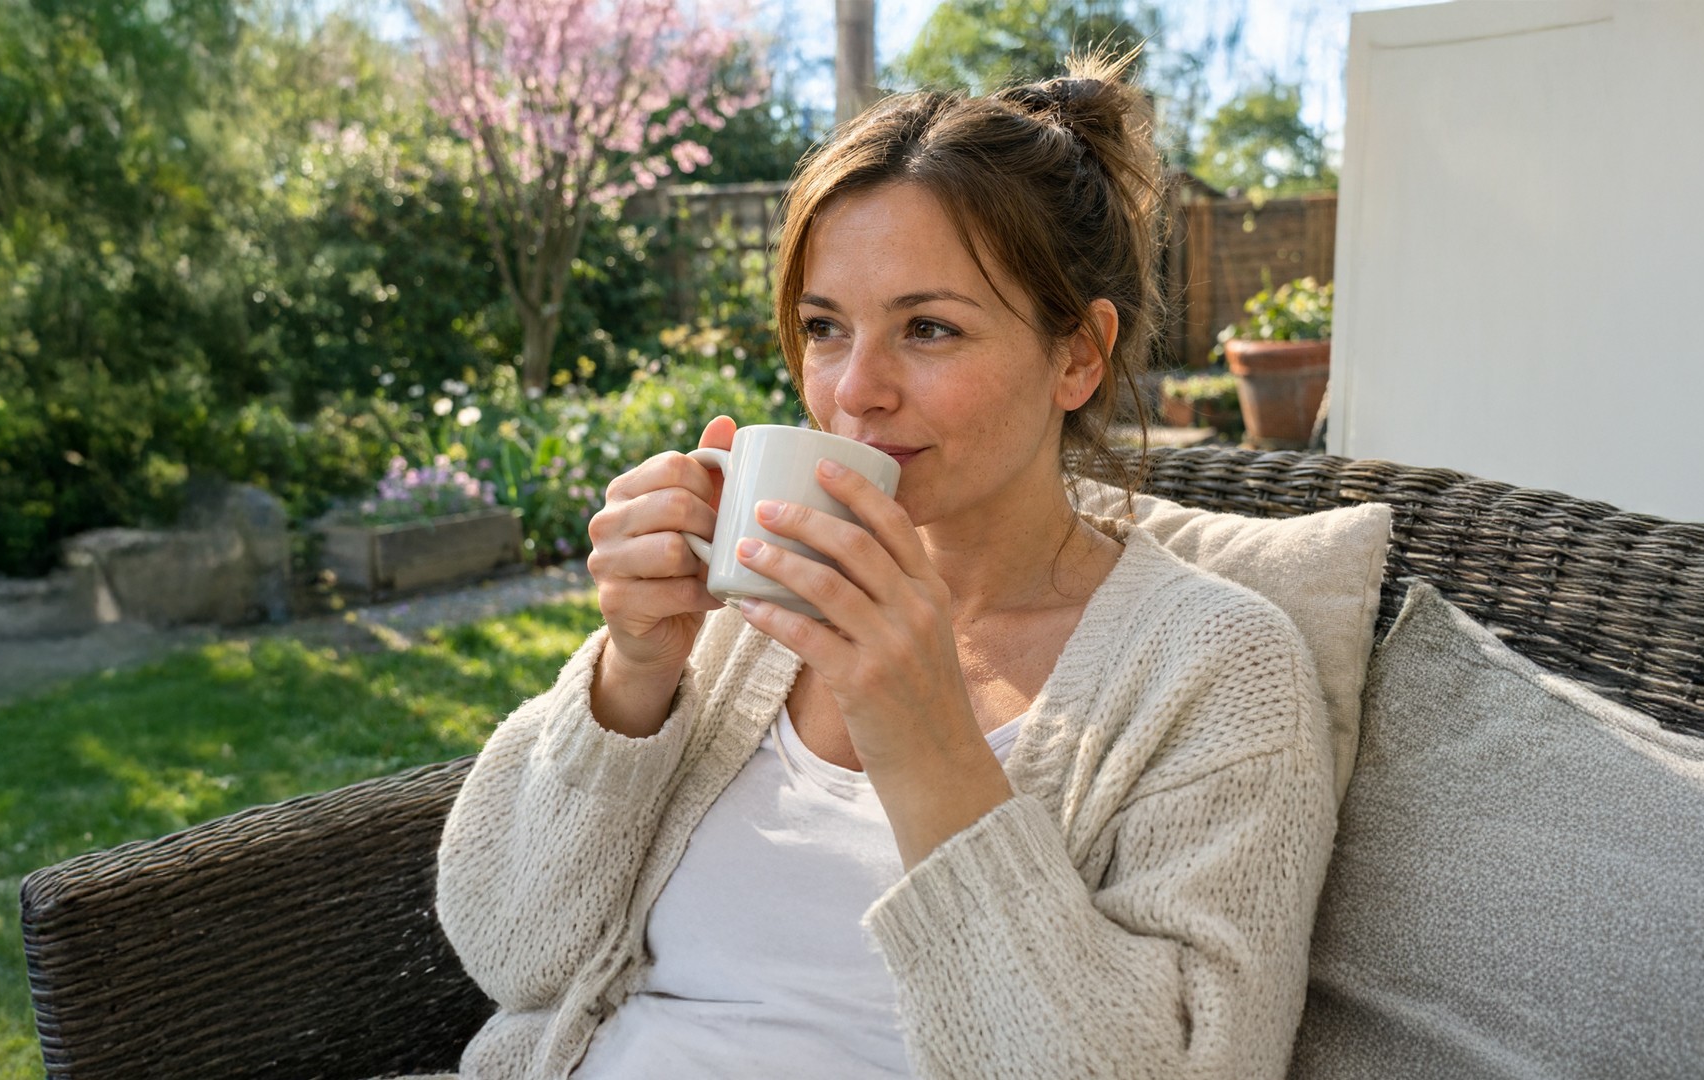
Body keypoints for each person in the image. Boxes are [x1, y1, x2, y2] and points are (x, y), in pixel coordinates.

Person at [431, 52, 1337, 1080]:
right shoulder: (743, 610)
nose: (856, 391)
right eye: (825, 328)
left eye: (929, 328)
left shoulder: (1218, 670)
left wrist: (928, 743)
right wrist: (629, 682)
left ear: (1079, 355)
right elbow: (511, 952)